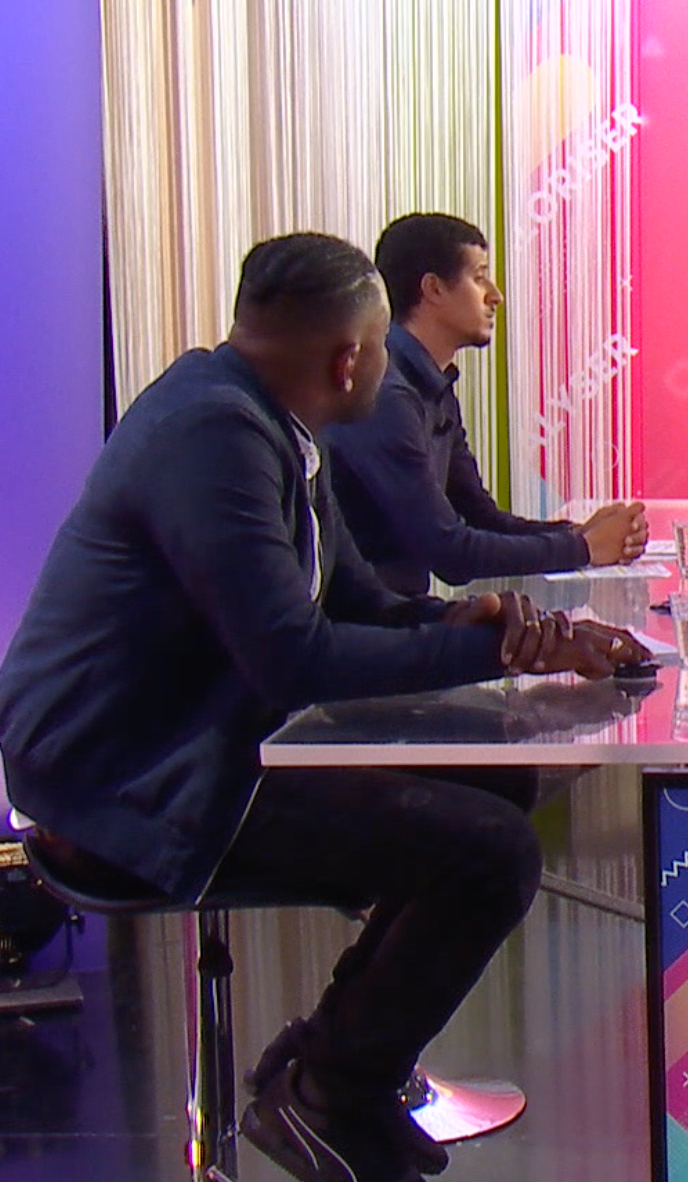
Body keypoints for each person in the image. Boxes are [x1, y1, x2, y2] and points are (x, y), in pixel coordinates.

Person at [0, 234, 646, 1182]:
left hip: (209, 743)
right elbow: (293, 658)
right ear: (350, 359)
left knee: (499, 784)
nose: (389, 365)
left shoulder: (273, 422)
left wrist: (489, 628)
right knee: (489, 852)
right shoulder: (212, 437)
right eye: (383, 348)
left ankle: (332, 1072)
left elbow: (358, 604)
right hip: (126, 780)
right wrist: (482, 648)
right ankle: (330, 1090)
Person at [327, 212, 647, 595]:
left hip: (406, 613)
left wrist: (580, 534)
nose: (495, 295)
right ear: (433, 289)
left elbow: (481, 518)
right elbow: (450, 553)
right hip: (373, 620)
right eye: (479, 277)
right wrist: (584, 548)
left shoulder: (433, 384)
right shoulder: (388, 395)